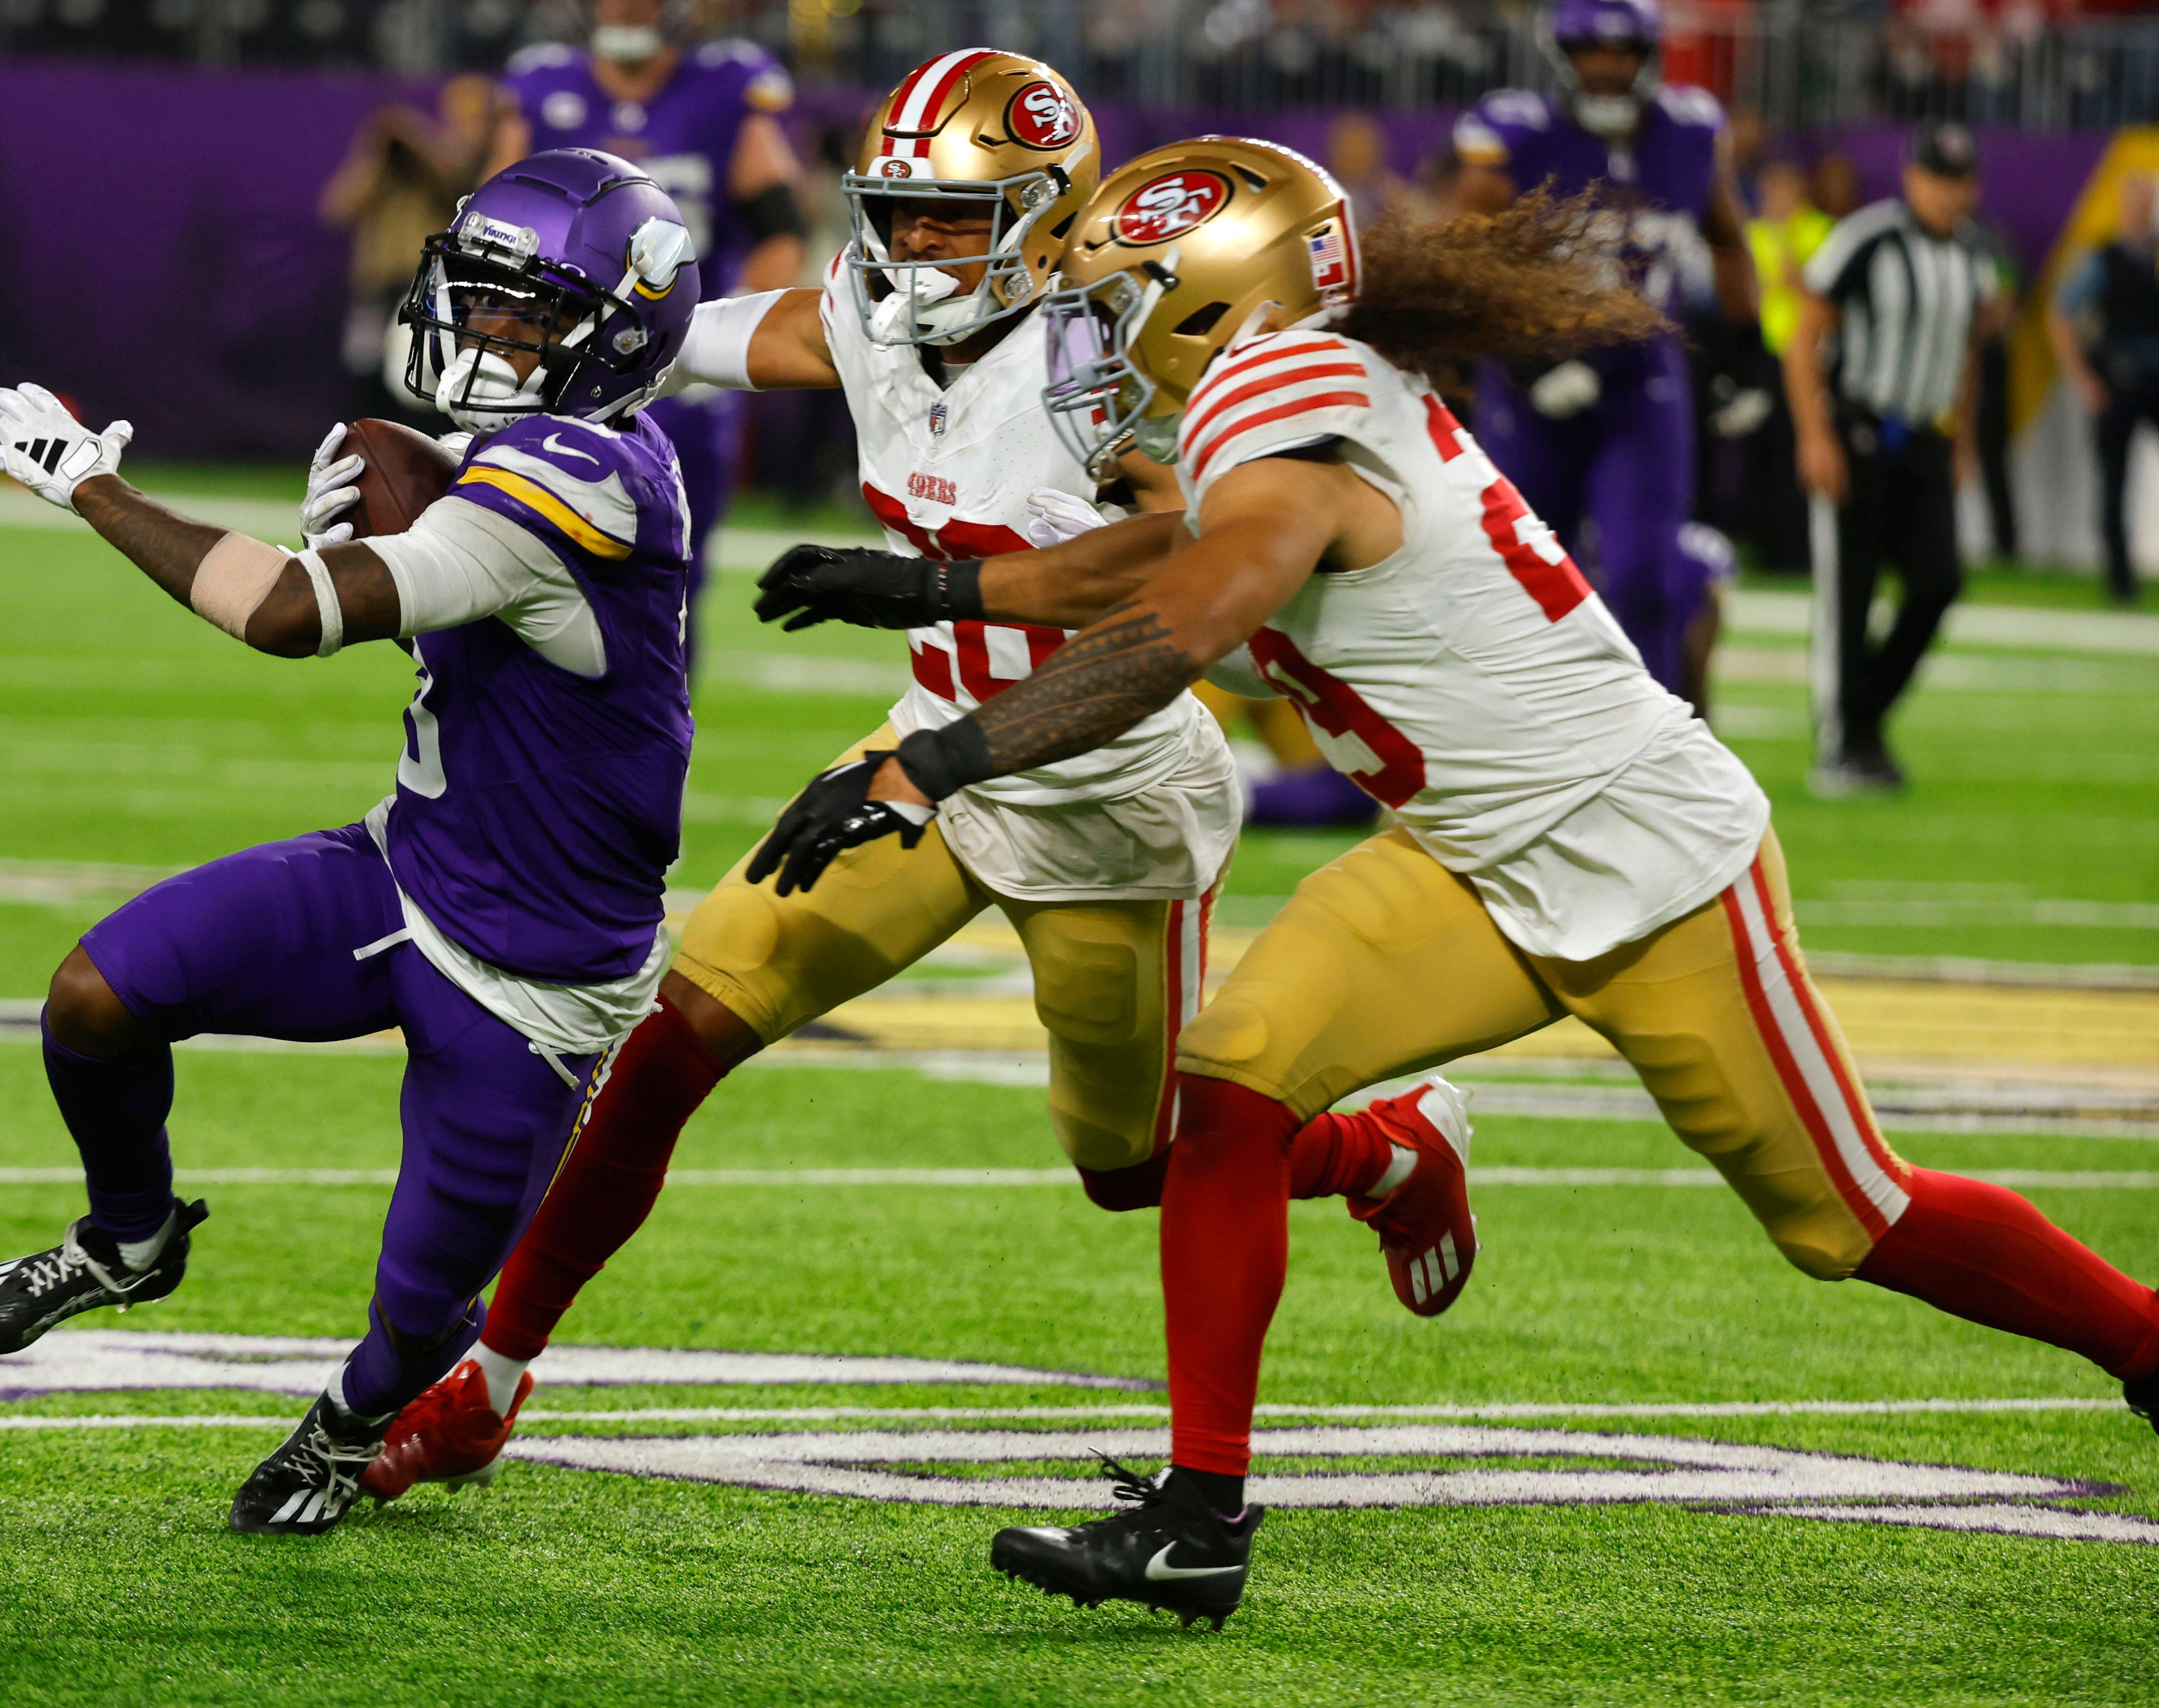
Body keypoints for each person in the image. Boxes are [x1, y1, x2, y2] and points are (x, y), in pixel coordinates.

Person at [747, 136, 2159, 1628]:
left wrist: (928, 763)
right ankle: (1197, 1516)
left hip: (1636, 852)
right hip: (1465, 855)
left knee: (1842, 1216)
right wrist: (936, 586)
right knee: (1226, 1088)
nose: (1086, 326)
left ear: (1205, 300)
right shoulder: (1277, 386)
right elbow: (1173, 555)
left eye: (1117, 295)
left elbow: (1181, 616)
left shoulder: (1278, 411)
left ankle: (2143, 1345)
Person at [354, 53, 1460, 1503]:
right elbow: (697, 336)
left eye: (957, 220)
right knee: (675, 1038)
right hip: (927, 751)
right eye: (898, 213)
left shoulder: (1128, 363)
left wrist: (955, 578)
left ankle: (1386, 1153)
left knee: (1129, 1164)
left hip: (1104, 793)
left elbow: (1202, 576)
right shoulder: (873, 316)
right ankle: (489, 1380)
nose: (915, 249)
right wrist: (535, 348)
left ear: (1057, 219)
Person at [0, 151, 702, 1536]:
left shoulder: (584, 477)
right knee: (95, 997)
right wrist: (394, 546)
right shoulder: (538, 461)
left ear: (616, 329)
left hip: (534, 979)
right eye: (481, 298)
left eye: (525, 314)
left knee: (419, 1306)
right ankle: (128, 1235)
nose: (483, 332)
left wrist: (92, 488)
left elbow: (286, 615)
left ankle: (347, 1426)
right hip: (403, 867)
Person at [1452, 0, 1757, 707]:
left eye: (1623, 52)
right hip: (1530, 383)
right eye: (1592, 50)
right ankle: (1517, 735)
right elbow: (1461, 265)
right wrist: (1529, 361)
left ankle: (1657, 744)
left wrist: (1747, 355)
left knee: (1644, 571)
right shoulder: (1518, 135)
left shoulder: (1688, 132)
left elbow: (1728, 239)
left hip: (1639, 374)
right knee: (1518, 576)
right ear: (1564, 54)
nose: (1608, 67)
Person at [492, 0, 810, 629]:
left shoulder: (726, 85)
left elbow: (783, 232)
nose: (626, 7)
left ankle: (650, 724)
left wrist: (717, 340)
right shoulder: (541, 85)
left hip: (677, 367)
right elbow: (494, 228)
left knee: (667, 581)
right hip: (558, 363)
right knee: (525, 560)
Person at [1783, 119, 2006, 795]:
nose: (1949, 193)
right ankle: (1842, 746)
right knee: (1849, 593)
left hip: (1926, 440)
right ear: (1913, 177)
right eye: (1939, 178)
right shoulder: (1870, 237)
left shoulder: (1972, 255)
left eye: (1960, 181)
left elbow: (1967, 351)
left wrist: (1962, 439)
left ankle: (1863, 717)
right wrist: (1814, 435)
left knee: (1939, 580)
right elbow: (1805, 335)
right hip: (1858, 429)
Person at [320, 73, 494, 425]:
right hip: (377, 288)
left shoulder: (456, 160)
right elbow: (336, 210)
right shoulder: (382, 170)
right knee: (365, 376)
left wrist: (413, 140)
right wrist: (376, 152)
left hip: (422, 287)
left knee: (415, 382)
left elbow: (457, 184)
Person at [2049, 170, 2159, 606]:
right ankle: (2119, 578)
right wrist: (2083, 379)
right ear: (2121, 206)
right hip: (2118, 377)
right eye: (2134, 200)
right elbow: (2061, 315)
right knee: (2113, 481)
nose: (2140, 209)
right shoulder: (2102, 259)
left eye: (2146, 201)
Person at [1742, 156, 1834, 574]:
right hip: (1764, 353)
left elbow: (1827, 294)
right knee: (1765, 452)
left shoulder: (1820, 231)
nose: (1776, 200)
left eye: (1784, 192)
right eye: (1769, 192)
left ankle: (1804, 548)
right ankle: (1769, 548)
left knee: (1803, 447)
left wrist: (1794, 277)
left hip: (1811, 355)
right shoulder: (1753, 233)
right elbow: (1742, 293)